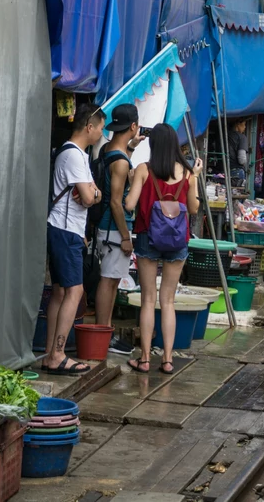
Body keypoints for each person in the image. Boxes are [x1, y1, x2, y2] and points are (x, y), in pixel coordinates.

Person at [124, 124, 202, 375]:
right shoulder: (188, 173)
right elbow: (193, 209)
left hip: (148, 238)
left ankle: (145, 359)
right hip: (178, 241)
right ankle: (167, 360)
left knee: (148, 299)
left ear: (153, 145)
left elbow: (129, 204)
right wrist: (196, 180)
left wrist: (131, 180)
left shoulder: (144, 170)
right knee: (168, 300)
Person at [44, 104, 103, 375]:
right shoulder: (74, 156)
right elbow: (91, 197)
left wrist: (91, 193)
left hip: (60, 227)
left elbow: (93, 193)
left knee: (59, 291)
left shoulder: (74, 154)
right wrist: (90, 193)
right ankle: (57, 354)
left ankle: (49, 353)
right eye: (101, 127)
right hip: (67, 229)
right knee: (75, 292)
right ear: (89, 127)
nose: (102, 132)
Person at [94, 104, 142, 356]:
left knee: (112, 281)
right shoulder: (121, 162)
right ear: (133, 126)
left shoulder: (107, 149)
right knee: (109, 280)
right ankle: (102, 333)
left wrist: (132, 147)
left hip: (107, 226)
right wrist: (125, 236)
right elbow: (115, 201)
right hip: (113, 229)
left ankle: (106, 332)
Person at [228, 119, 249, 185]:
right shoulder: (242, 137)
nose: (245, 127)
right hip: (236, 173)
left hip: (222, 172)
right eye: (244, 124)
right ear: (238, 124)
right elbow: (242, 160)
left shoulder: (225, 135)